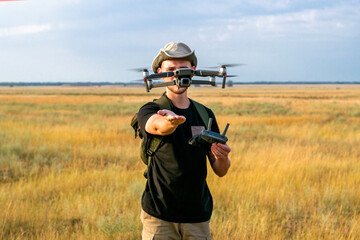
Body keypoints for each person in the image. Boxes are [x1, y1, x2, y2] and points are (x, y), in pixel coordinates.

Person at [137, 42, 231, 240]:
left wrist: (222, 156)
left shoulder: (205, 115)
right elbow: (156, 126)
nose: (177, 75)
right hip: (159, 217)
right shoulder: (150, 110)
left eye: (183, 69)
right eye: (170, 70)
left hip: (197, 217)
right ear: (159, 71)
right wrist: (169, 122)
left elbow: (220, 170)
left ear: (193, 71)